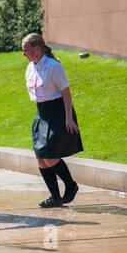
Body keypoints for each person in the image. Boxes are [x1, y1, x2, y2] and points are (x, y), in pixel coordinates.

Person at [22, 33, 82, 208]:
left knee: (49, 156)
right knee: (41, 159)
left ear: (38, 48)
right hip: (41, 113)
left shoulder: (53, 66)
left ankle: (70, 185)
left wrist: (68, 118)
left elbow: (65, 92)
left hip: (57, 111)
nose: (24, 54)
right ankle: (55, 197)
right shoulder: (30, 68)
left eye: (26, 50)